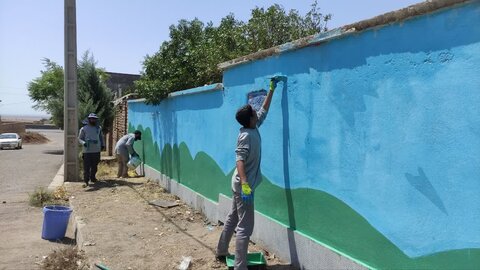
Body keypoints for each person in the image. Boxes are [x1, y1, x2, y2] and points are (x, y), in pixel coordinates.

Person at [216, 77, 280, 270]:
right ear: (250, 119)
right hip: (243, 186)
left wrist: (271, 90)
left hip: (240, 184)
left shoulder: (253, 126)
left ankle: (221, 250)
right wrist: (245, 183)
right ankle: (240, 266)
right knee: (245, 226)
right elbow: (239, 159)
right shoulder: (245, 135)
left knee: (233, 217)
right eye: (254, 113)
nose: (256, 113)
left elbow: (264, 111)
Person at [78, 113, 105, 187]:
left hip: (96, 150)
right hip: (87, 151)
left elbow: (101, 137)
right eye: (91, 118)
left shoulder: (98, 128)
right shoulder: (84, 128)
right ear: (89, 119)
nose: (93, 120)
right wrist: (84, 143)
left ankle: (93, 178)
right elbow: (79, 138)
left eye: (94, 119)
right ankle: (86, 181)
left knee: (94, 166)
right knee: (86, 167)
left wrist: (103, 145)